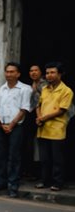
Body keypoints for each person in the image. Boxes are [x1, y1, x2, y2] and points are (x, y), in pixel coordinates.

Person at [0, 62, 32, 198]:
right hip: (0, 126)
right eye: (7, 72)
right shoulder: (3, 88)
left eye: (12, 72)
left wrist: (11, 125)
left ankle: (13, 185)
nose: (9, 74)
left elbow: (24, 109)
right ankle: (1, 183)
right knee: (0, 156)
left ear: (18, 74)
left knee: (14, 157)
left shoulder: (25, 89)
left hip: (15, 127)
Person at [35, 62, 71, 191]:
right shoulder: (45, 89)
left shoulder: (66, 91)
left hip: (57, 129)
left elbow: (62, 110)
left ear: (60, 74)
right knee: (44, 158)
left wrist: (43, 118)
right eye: (47, 73)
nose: (49, 75)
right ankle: (45, 181)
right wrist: (39, 117)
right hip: (43, 128)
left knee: (57, 159)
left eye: (52, 72)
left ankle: (58, 182)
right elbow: (38, 105)